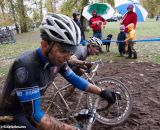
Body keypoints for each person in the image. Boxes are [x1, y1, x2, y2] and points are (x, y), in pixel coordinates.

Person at [0, 13, 116, 130]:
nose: (68, 57)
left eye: (71, 51)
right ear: (45, 45)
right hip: (10, 116)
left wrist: (101, 92)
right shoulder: (26, 66)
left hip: (27, 110)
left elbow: (75, 79)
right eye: (63, 50)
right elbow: (35, 116)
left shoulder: (57, 60)